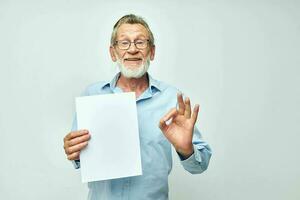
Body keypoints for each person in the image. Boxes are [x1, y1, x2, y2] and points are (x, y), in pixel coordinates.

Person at [63, 14, 212, 200]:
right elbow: (79, 158)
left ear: (152, 51)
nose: (132, 49)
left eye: (140, 42)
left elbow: (200, 166)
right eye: (124, 43)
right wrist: (74, 151)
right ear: (112, 52)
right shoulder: (92, 95)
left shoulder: (172, 99)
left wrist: (186, 150)